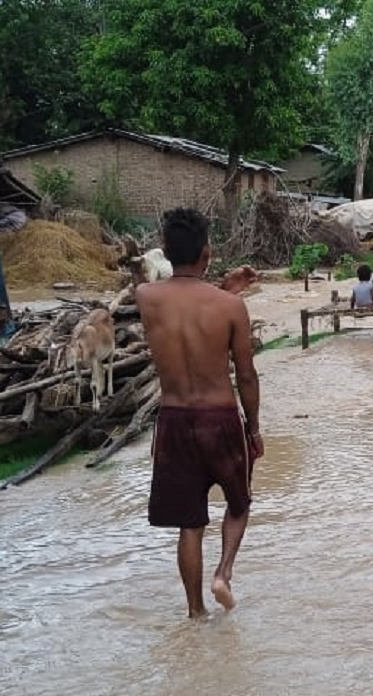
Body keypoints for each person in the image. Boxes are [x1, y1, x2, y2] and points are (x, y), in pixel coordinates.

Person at [138, 208, 265, 618]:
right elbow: (246, 375)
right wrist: (255, 427)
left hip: (174, 421)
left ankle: (195, 613)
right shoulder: (230, 307)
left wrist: (219, 286)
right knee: (239, 505)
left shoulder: (146, 298)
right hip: (222, 419)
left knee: (189, 525)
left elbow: (181, 300)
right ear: (207, 252)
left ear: (167, 251)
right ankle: (223, 574)